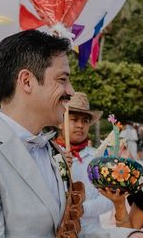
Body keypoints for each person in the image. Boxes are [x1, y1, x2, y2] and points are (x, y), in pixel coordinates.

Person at [0, 30, 143, 238]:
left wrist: (129, 236)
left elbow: (70, 230)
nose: (70, 90)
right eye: (62, 80)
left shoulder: (52, 152)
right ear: (27, 81)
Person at [54, 91, 114, 233]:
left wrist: (82, 209)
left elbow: (109, 200)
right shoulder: (49, 154)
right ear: (60, 123)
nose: (80, 125)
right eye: (74, 119)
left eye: (85, 121)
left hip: (90, 232)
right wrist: (57, 167)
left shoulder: (98, 159)